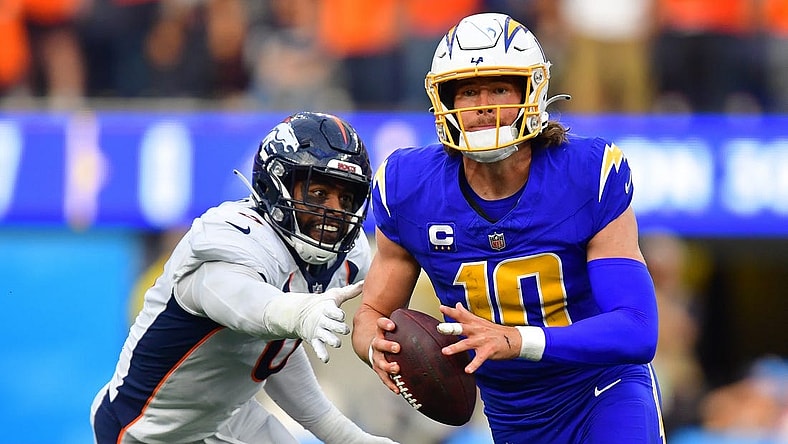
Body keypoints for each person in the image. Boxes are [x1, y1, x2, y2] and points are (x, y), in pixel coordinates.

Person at [351, 12, 665, 444]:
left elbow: (636, 329)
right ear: (445, 101)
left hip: (600, 390)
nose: (483, 106)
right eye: (469, 91)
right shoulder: (408, 186)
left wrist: (518, 340)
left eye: (499, 88)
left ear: (531, 91)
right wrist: (375, 348)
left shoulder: (586, 173)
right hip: (512, 411)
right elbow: (372, 316)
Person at [91, 111, 396, 444]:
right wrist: (299, 313)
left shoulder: (346, 259)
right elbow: (247, 304)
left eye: (347, 198)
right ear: (276, 184)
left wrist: (346, 437)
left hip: (224, 416)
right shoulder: (233, 236)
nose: (335, 211)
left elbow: (272, 352)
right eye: (319, 193)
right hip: (143, 429)